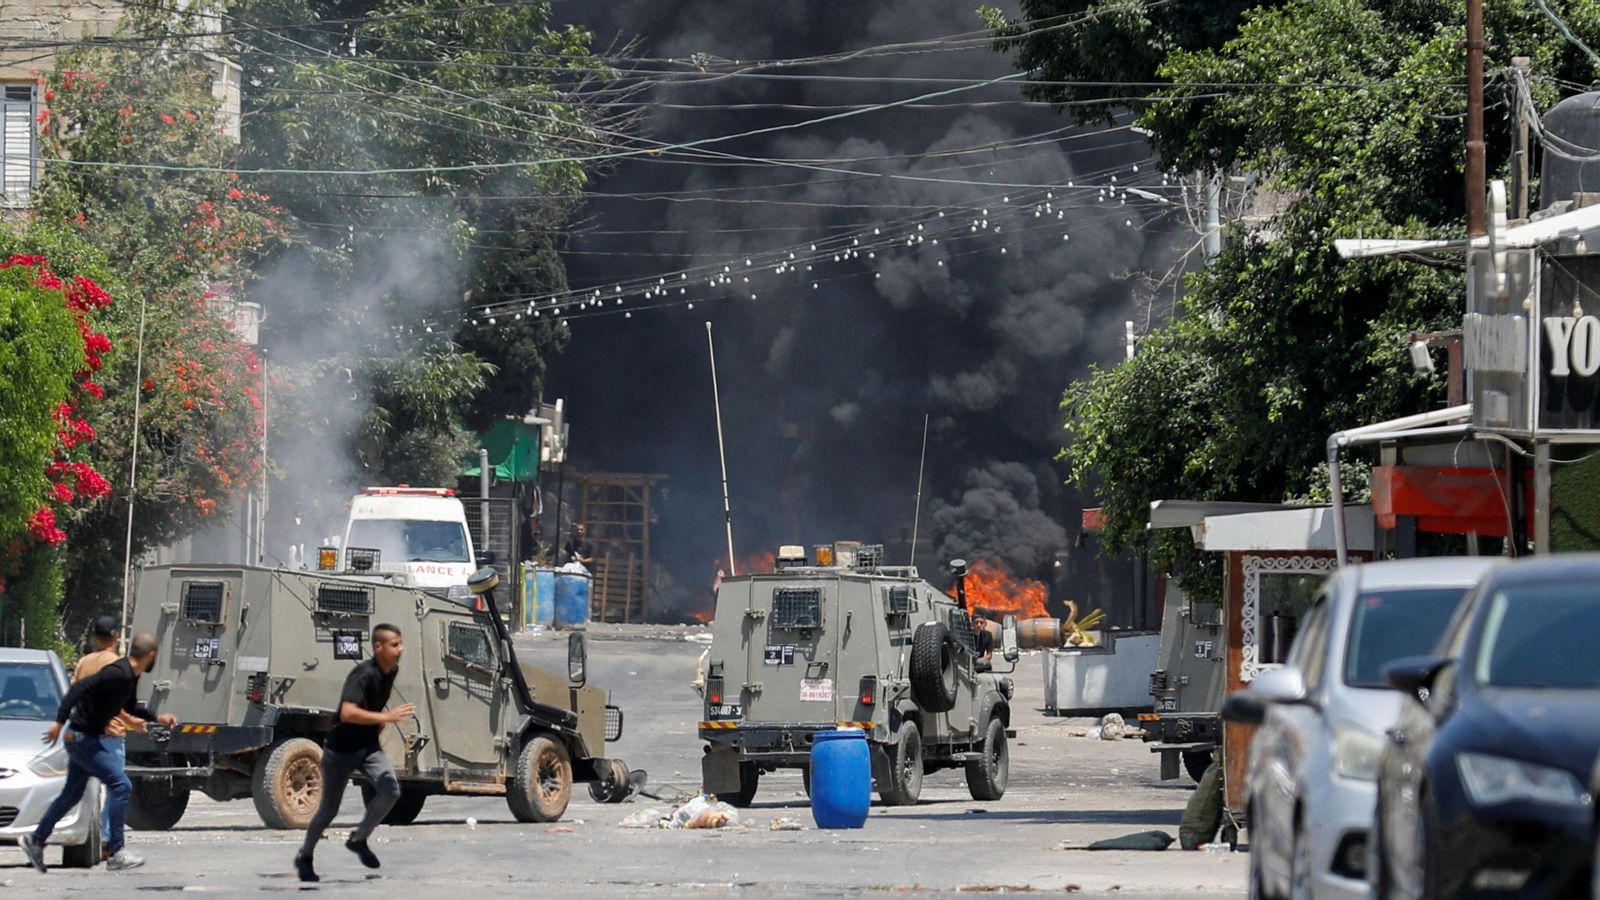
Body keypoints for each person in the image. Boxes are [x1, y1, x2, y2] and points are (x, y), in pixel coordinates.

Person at [20, 632, 177, 874]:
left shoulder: (129, 676)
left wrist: (157, 717)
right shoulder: (118, 673)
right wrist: (59, 722)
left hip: (83, 737)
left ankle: (36, 840)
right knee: (121, 785)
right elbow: (80, 687)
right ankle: (116, 852)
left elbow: (129, 705)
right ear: (152, 655)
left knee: (71, 795)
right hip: (82, 738)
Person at [295, 623, 414, 883]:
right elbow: (347, 712)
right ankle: (305, 856)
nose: (401, 649)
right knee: (328, 812)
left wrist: (378, 721)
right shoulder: (362, 675)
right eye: (395, 645)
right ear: (378, 647)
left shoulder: (391, 670)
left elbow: (371, 704)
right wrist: (386, 716)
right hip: (340, 750)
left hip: (369, 747)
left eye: (401, 644)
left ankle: (359, 838)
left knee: (390, 790)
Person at [71, 615, 147, 862]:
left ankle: (84, 837)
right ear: (116, 636)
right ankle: (108, 842)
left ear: (95, 636)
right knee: (116, 788)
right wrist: (132, 722)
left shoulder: (83, 663)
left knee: (83, 789)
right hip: (111, 736)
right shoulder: (117, 664)